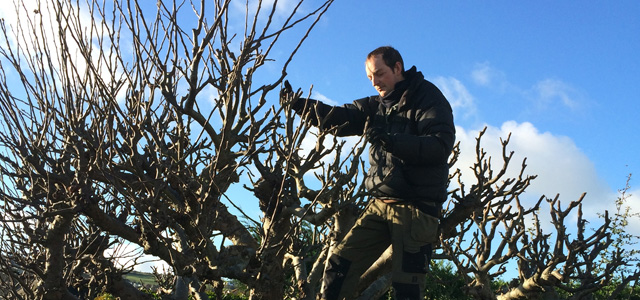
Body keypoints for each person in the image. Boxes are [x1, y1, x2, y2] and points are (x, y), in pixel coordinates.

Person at [281, 46, 455, 299]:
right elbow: (340, 117)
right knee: (339, 267)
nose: (375, 82)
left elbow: (439, 146)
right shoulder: (376, 106)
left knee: (406, 290)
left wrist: (392, 141)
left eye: (380, 74)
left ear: (398, 68)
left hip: (417, 209)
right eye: (370, 78)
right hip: (379, 204)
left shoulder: (428, 97)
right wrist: (299, 105)